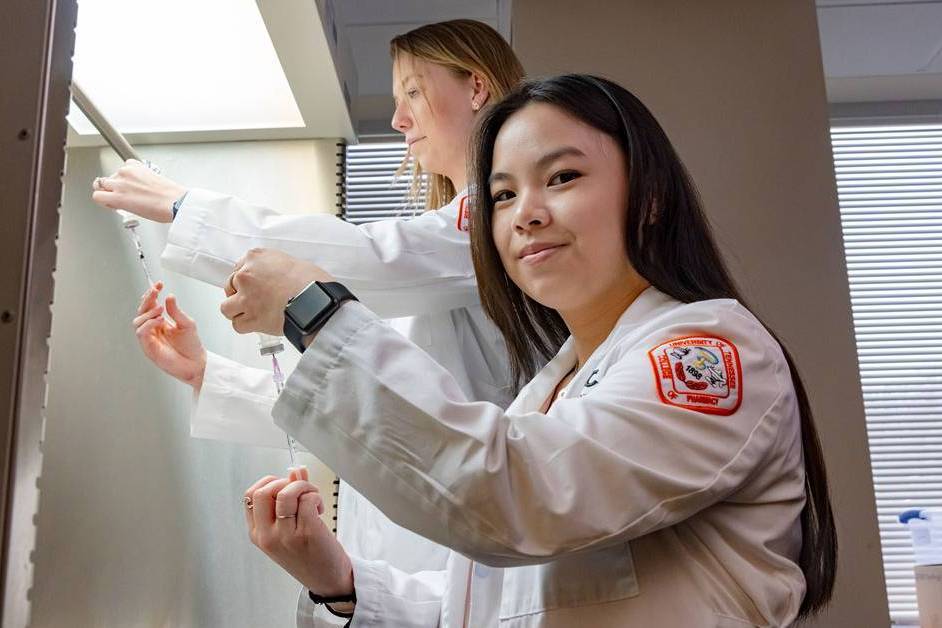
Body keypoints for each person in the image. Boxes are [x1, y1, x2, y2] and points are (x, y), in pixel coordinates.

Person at [232, 74, 838, 627]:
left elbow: (514, 496)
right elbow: (490, 608)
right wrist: (339, 581)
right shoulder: (547, 395)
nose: (526, 215)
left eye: (563, 178)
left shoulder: (710, 354)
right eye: (501, 196)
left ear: (650, 197)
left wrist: (315, 312)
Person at [108, 20, 525, 626]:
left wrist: (184, 207)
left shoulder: (494, 219)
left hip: (464, 545)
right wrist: (207, 375)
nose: (399, 119)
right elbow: (370, 396)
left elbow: (364, 257)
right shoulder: (449, 244)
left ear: (477, 87)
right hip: (420, 553)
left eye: (411, 91)